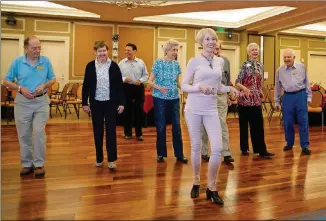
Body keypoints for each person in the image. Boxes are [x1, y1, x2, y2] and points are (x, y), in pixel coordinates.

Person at [181, 28, 239, 205]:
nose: (211, 42)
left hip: (211, 108)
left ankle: (211, 187)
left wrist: (231, 89)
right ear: (201, 42)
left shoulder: (220, 61)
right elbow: (183, 86)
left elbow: (219, 87)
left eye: (213, 39)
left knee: (217, 149)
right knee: (197, 147)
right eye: (207, 39)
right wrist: (199, 88)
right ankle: (196, 181)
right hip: (193, 109)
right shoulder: (194, 61)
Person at [3, 36, 56, 178]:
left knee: (38, 132)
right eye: (34, 48)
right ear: (26, 48)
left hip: (41, 102)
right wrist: (20, 88)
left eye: (39, 47)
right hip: (22, 103)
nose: (37, 50)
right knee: (24, 134)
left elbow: (53, 79)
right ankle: (27, 164)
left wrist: (44, 85)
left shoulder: (45, 61)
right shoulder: (17, 62)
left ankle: (39, 164)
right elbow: (6, 81)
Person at [82, 41, 125, 170]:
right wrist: (85, 103)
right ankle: (99, 158)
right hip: (96, 103)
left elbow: (119, 87)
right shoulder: (90, 66)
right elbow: (86, 86)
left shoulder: (114, 66)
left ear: (107, 51)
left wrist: (122, 103)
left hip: (110, 103)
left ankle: (111, 160)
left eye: (104, 51)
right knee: (97, 131)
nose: (102, 53)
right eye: (99, 51)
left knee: (111, 131)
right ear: (95, 52)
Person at [147, 39, 188, 164]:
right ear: (167, 50)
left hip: (174, 98)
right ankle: (161, 154)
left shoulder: (176, 65)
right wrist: (160, 88)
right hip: (160, 98)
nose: (175, 52)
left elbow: (177, 83)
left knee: (177, 126)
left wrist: (187, 90)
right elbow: (149, 81)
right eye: (173, 50)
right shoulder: (158, 63)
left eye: (177, 50)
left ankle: (179, 154)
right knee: (161, 126)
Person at [235, 43, 274, 158]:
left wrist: (260, 91)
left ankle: (261, 150)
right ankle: (244, 148)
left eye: (256, 50)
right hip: (244, 101)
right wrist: (245, 88)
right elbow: (237, 82)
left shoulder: (261, 65)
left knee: (258, 126)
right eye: (252, 50)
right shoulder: (245, 65)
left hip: (256, 100)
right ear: (248, 53)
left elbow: (259, 82)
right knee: (244, 126)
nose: (255, 52)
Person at [201, 40, 234, 164]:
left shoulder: (225, 61)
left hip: (221, 96)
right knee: (205, 125)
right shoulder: (202, 62)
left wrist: (227, 96)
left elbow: (227, 79)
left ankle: (226, 153)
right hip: (206, 96)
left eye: (218, 49)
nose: (216, 51)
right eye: (214, 49)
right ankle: (204, 152)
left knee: (222, 124)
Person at [274, 49, 312, 155]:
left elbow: (307, 82)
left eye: (289, 57)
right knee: (288, 122)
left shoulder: (301, 67)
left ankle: (305, 145)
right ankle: (289, 143)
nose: (286, 59)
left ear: (294, 57)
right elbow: (277, 87)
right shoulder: (279, 70)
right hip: (287, 97)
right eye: (285, 57)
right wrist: (276, 101)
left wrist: (309, 97)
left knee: (303, 121)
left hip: (301, 96)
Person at [118, 43, 148, 141]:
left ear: (135, 51)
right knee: (127, 111)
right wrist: (123, 78)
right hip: (126, 88)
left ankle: (139, 134)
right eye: (125, 50)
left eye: (129, 50)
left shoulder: (141, 62)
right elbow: (117, 76)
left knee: (139, 110)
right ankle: (128, 133)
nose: (126, 52)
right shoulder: (121, 63)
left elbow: (146, 75)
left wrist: (141, 80)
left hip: (138, 88)